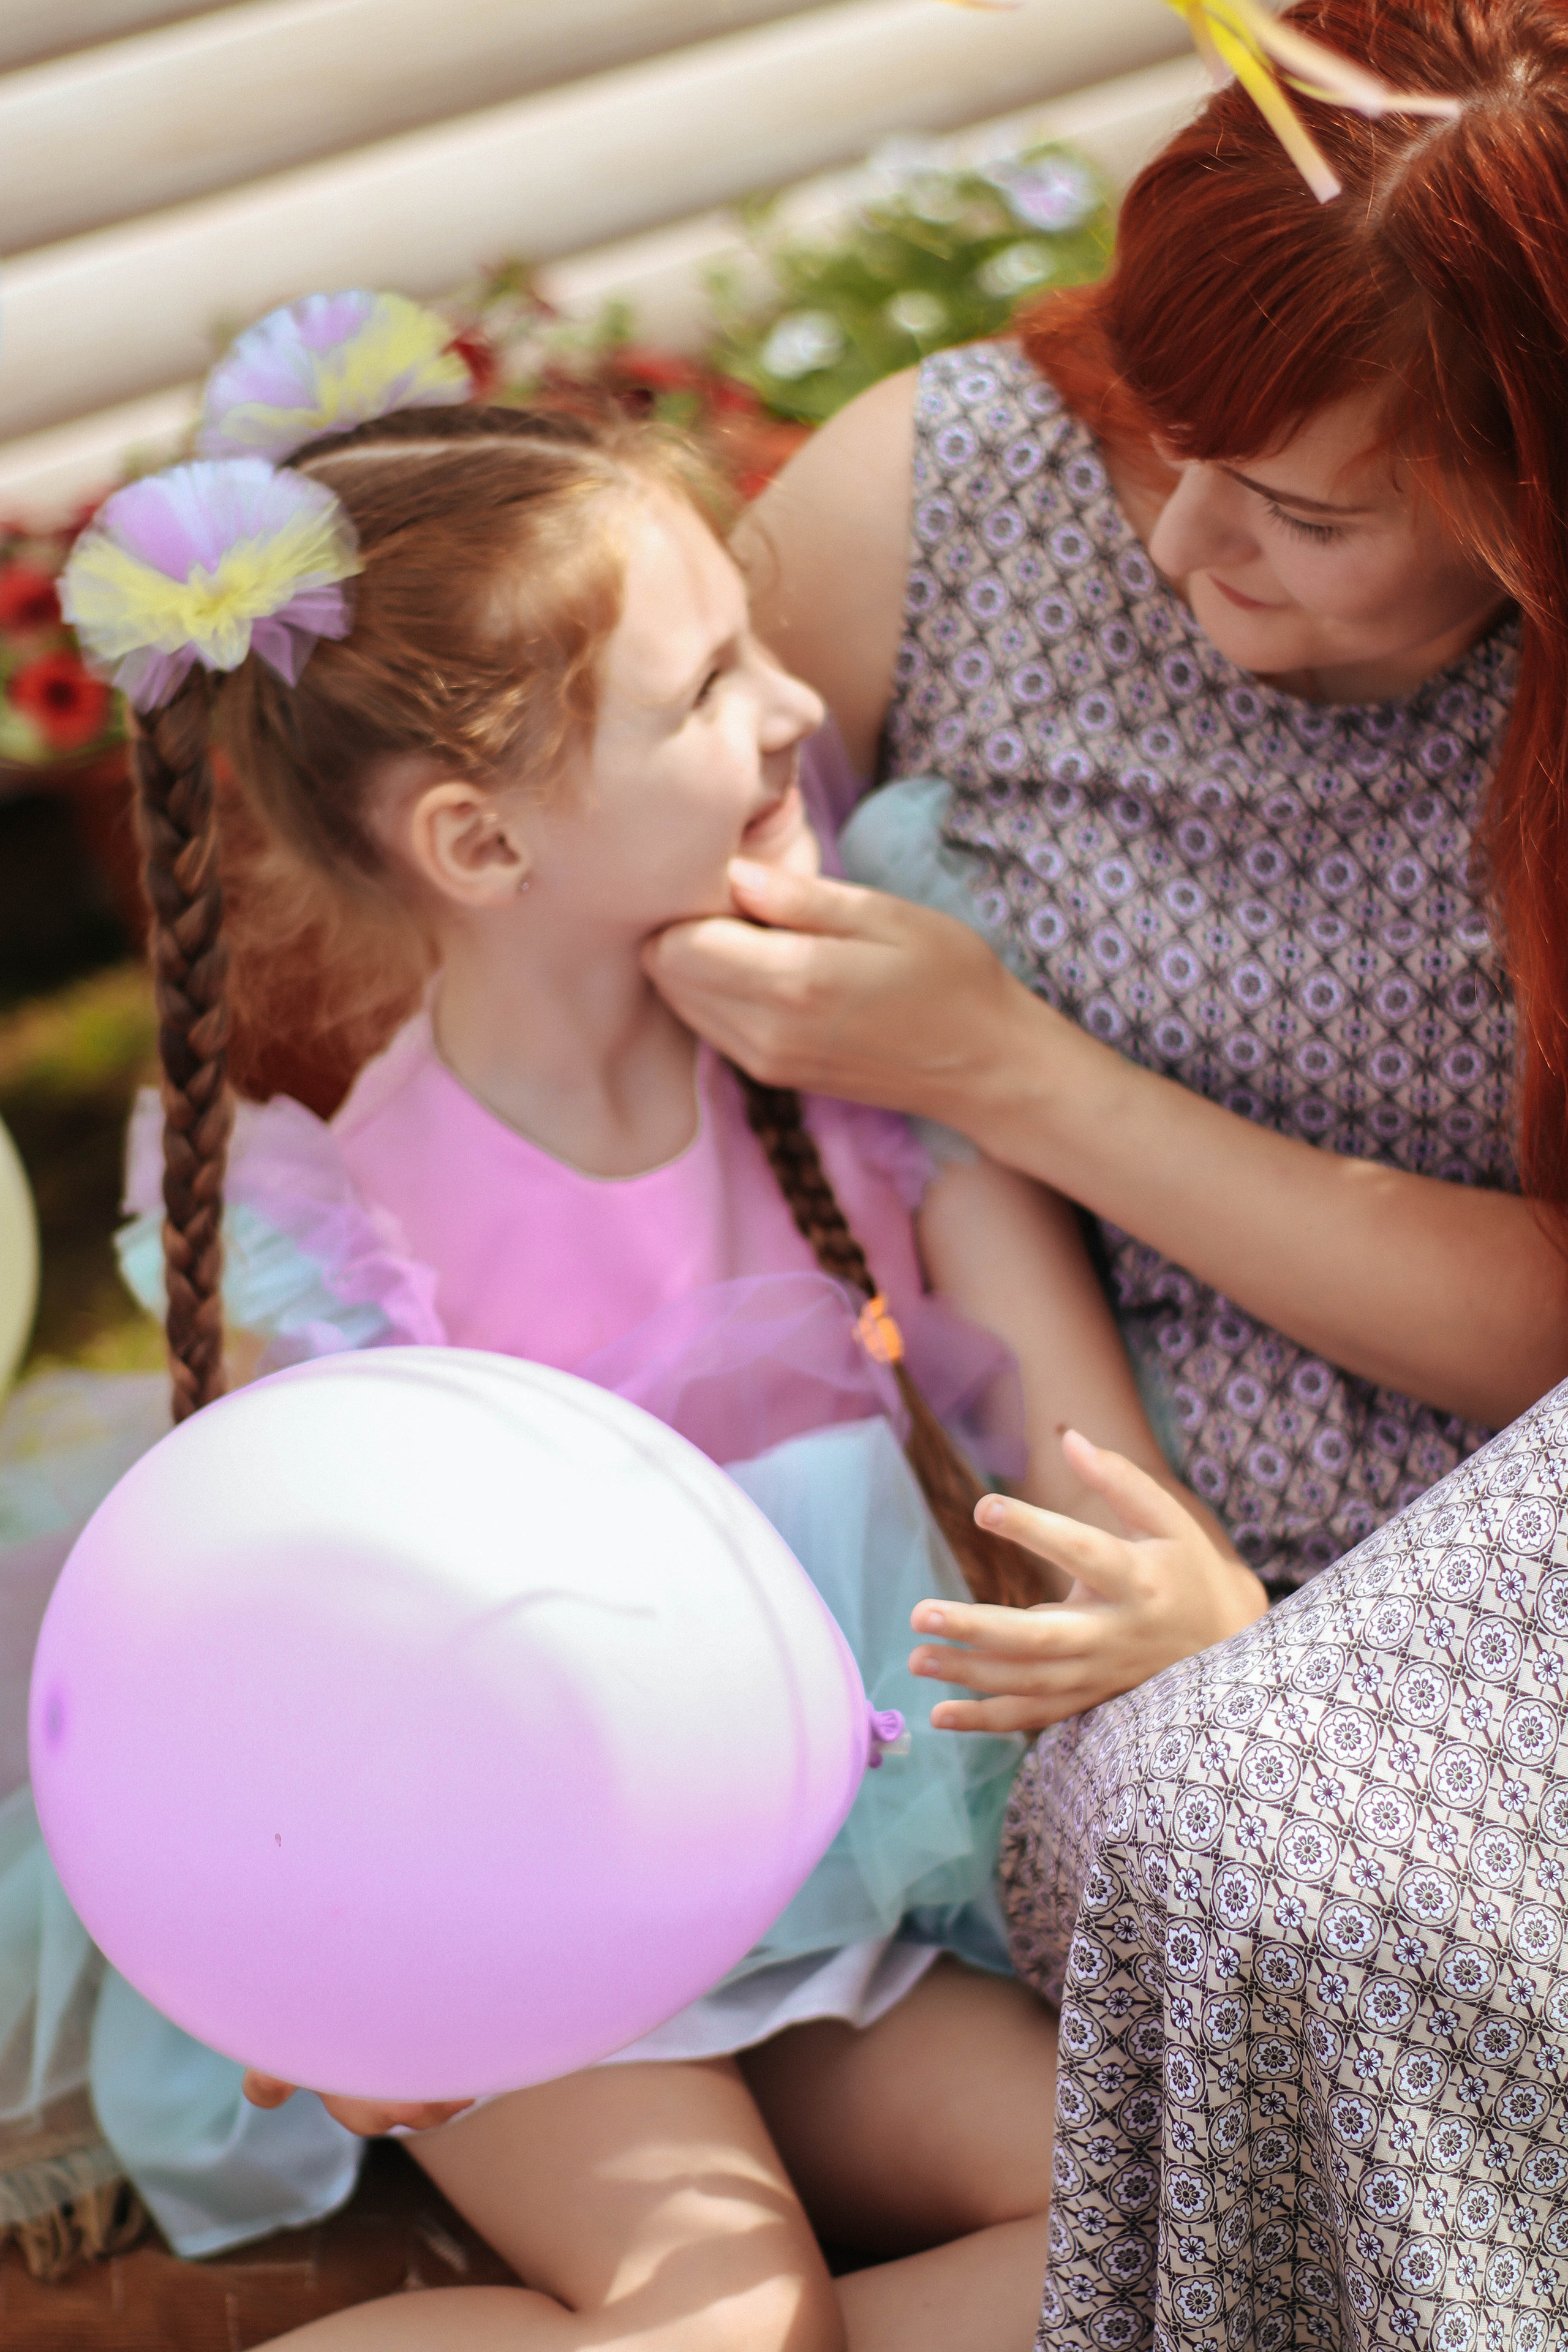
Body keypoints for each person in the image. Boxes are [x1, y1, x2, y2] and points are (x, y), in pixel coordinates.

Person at [1, 290, 1267, 2352]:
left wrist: (1166, 1601)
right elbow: (282, 1694)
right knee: (735, 2311)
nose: (798, 710)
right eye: (709, 688)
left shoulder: (864, 1072)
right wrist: (328, 1976)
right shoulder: (349, 1244)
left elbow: (1096, 1484)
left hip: (839, 1925)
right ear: (481, 839)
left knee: (1185, 2213)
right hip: (527, 1952)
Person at [646, 0, 1568, 2343]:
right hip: (1078, 1568)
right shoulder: (941, 493)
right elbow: (594, 998)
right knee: (1245, 1865)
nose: (1176, 534)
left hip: (1499, 1546)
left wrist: (1019, 1068)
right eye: (1168, 430)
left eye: (1309, 512)